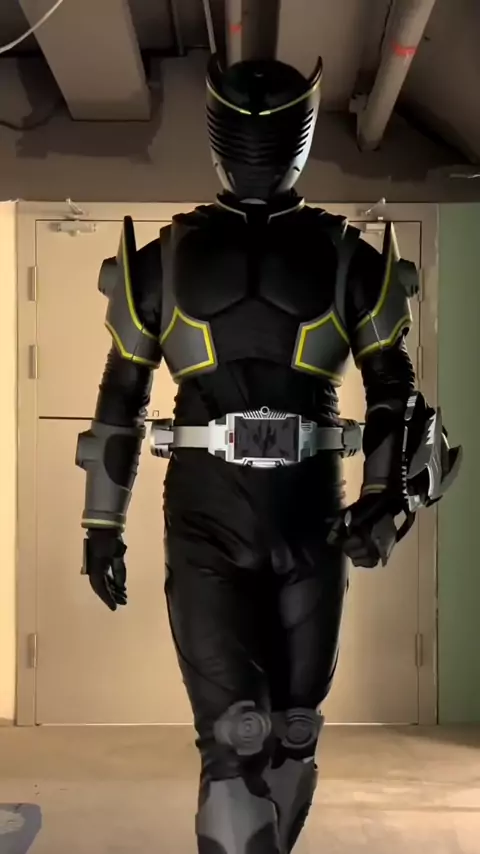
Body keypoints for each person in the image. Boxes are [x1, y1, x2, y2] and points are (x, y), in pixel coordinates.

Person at [75, 54, 461, 854]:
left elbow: (394, 388)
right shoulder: (177, 259)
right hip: (218, 517)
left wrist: (386, 498)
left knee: (292, 732)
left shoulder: (333, 257)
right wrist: (99, 524)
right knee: (236, 737)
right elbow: (122, 394)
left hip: (307, 518)